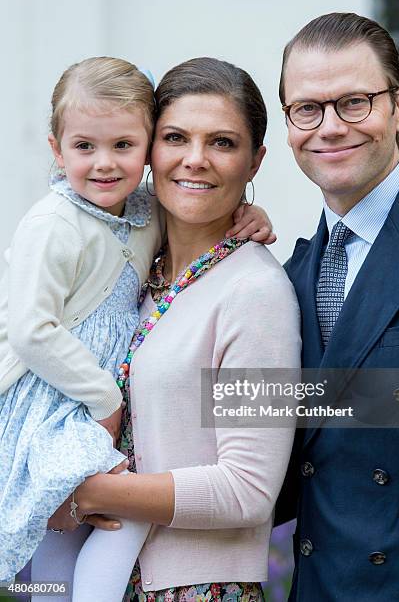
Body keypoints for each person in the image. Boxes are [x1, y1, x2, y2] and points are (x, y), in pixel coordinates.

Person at [0, 56, 273, 597]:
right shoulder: (62, 225)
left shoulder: (156, 223)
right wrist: (104, 401)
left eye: (123, 146)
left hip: (178, 550)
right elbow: (32, 329)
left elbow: (250, 489)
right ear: (57, 149)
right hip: (56, 397)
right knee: (58, 555)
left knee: (107, 521)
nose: (104, 163)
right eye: (85, 147)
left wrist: (251, 214)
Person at [277, 11, 399, 601]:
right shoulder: (285, 278)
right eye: (308, 108)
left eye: (354, 102)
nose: (330, 127)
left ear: (398, 107)